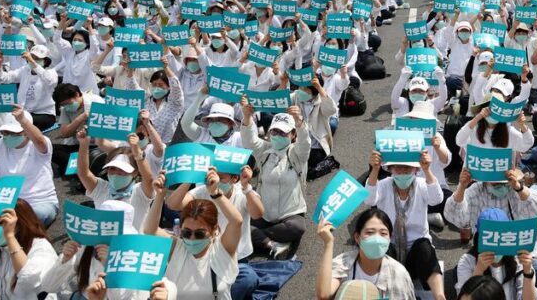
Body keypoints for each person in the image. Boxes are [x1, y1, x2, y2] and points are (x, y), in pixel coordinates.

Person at [143, 169, 244, 299]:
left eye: (200, 234)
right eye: (186, 232)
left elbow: (237, 222)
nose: (192, 238)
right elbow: (150, 231)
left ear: (214, 230)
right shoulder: (176, 248)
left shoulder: (222, 249)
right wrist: (160, 196)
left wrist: (215, 193)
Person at [366, 148, 446, 299]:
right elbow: (369, 200)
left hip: (417, 256)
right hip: (391, 250)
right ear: (390, 169)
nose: (402, 172)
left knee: (424, 246)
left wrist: (427, 170)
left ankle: (440, 295)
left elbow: (437, 199)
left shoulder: (422, 184)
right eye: (397, 167)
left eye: (407, 168)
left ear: (416, 169)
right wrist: (374, 170)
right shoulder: (384, 185)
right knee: (381, 246)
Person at [240, 99, 310, 259]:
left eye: (283, 133)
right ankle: (272, 244)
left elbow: (305, 143)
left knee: (297, 228)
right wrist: (247, 117)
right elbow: (249, 140)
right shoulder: (264, 150)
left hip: (290, 212)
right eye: (274, 132)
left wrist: (299, 122)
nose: (278, 136)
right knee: (238, 222)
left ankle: (256, 237)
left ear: (293, 135)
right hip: (263, 212)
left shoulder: (297, 153)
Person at [0, 105, 59, 226]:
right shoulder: (1, 144)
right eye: (5, 132)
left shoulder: (38, 145)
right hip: (7, 202)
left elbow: (40, 141)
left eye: (14, 133)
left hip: (39, 202)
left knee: (35, 216)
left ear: (26, 132)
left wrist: (23, 120)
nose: (8, 136)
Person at [316, 209, 416, 300]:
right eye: (370, 232)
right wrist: (328, 243)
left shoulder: (399, 273)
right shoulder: (343, 264)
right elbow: (323, 295)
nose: (377, 239)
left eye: (383, 233)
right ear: (357, 237)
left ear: (390, 238)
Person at [454, 208, 537, 300]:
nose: (495, 248)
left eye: (500, 239)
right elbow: (463, 296)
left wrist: (528, 273)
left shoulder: (517, 258)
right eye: (490, 239)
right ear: (479, 238)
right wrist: (478, 270)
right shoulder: (467, 261)